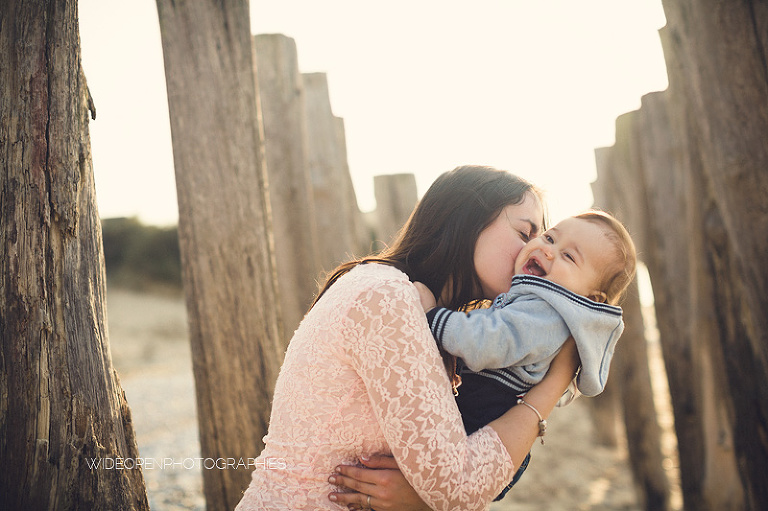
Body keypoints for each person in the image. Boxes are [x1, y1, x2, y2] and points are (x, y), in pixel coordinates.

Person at [235, 165, 580, 511]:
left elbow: (461, 471)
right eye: (525, 233)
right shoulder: (387, 298)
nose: (534, 253)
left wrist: (424, 497)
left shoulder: (418, 308)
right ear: (468, 218)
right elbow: (459, 485)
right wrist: (558, 377)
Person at [415, 211, 637, 500]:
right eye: (550, 237)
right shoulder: (537, 302)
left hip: (481, 416)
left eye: (568, 257)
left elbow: (490, 341)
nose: (547, 249)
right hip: (490, 417)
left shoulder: (547, 313)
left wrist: (432, 317)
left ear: (590, 298)